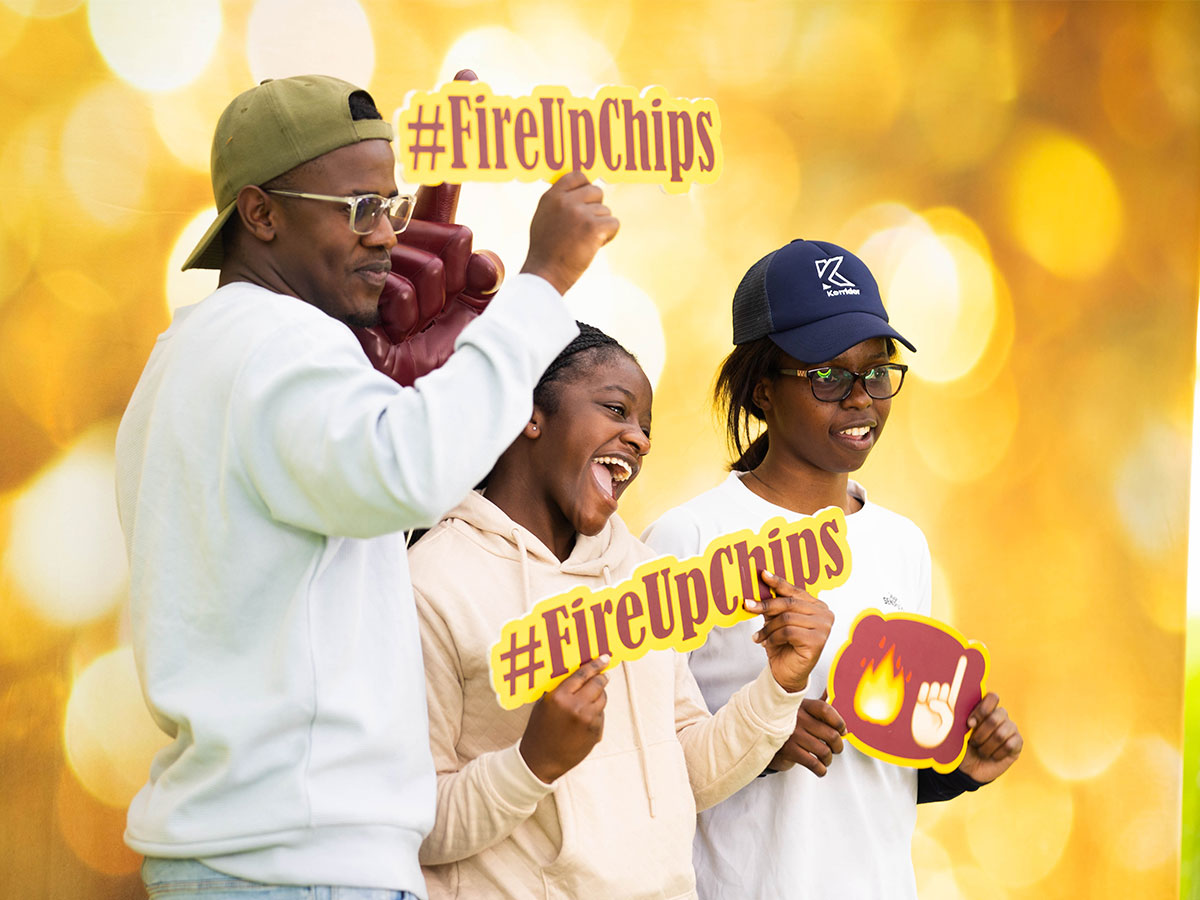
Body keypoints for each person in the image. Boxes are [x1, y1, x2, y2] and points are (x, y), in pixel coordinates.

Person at [115, 74, 617, 899]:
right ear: (261, 213)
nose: (386, 235)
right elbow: (409, 473)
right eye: (357, 210)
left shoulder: (194, 354)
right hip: (298, 863)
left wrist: (400, 384)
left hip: (246, 849)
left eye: (391, 206)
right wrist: (540, 287)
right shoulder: (278, 343)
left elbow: (341, 557)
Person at [642, 239, 1023, 899]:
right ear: (762, 388)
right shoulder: (688, 539)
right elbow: (632, 766)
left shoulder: (902, 543)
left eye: (877, 373)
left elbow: (877, 760)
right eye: (828, 376)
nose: (861, 400)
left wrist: (959, 766)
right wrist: (759, 737)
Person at [408, 324, 835, 898]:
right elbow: (418, 824)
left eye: (645, 427)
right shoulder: (432, 581)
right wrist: (534, 762)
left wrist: (780, 685)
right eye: (616, 409)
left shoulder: (638, 572)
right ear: (531, 413)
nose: (640, 439)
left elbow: (684, 772)